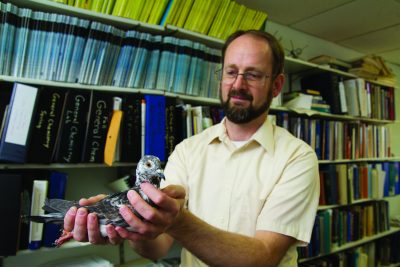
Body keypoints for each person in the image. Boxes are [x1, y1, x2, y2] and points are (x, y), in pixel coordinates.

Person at [64, 29, 320, 267]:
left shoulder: (297, 158)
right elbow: (157, 248)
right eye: (231, 72)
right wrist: (131, 222)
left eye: (252, 74)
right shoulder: (188, 151)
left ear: (276, 85)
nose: (238, 85)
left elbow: (264, 257)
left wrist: (176, 220)